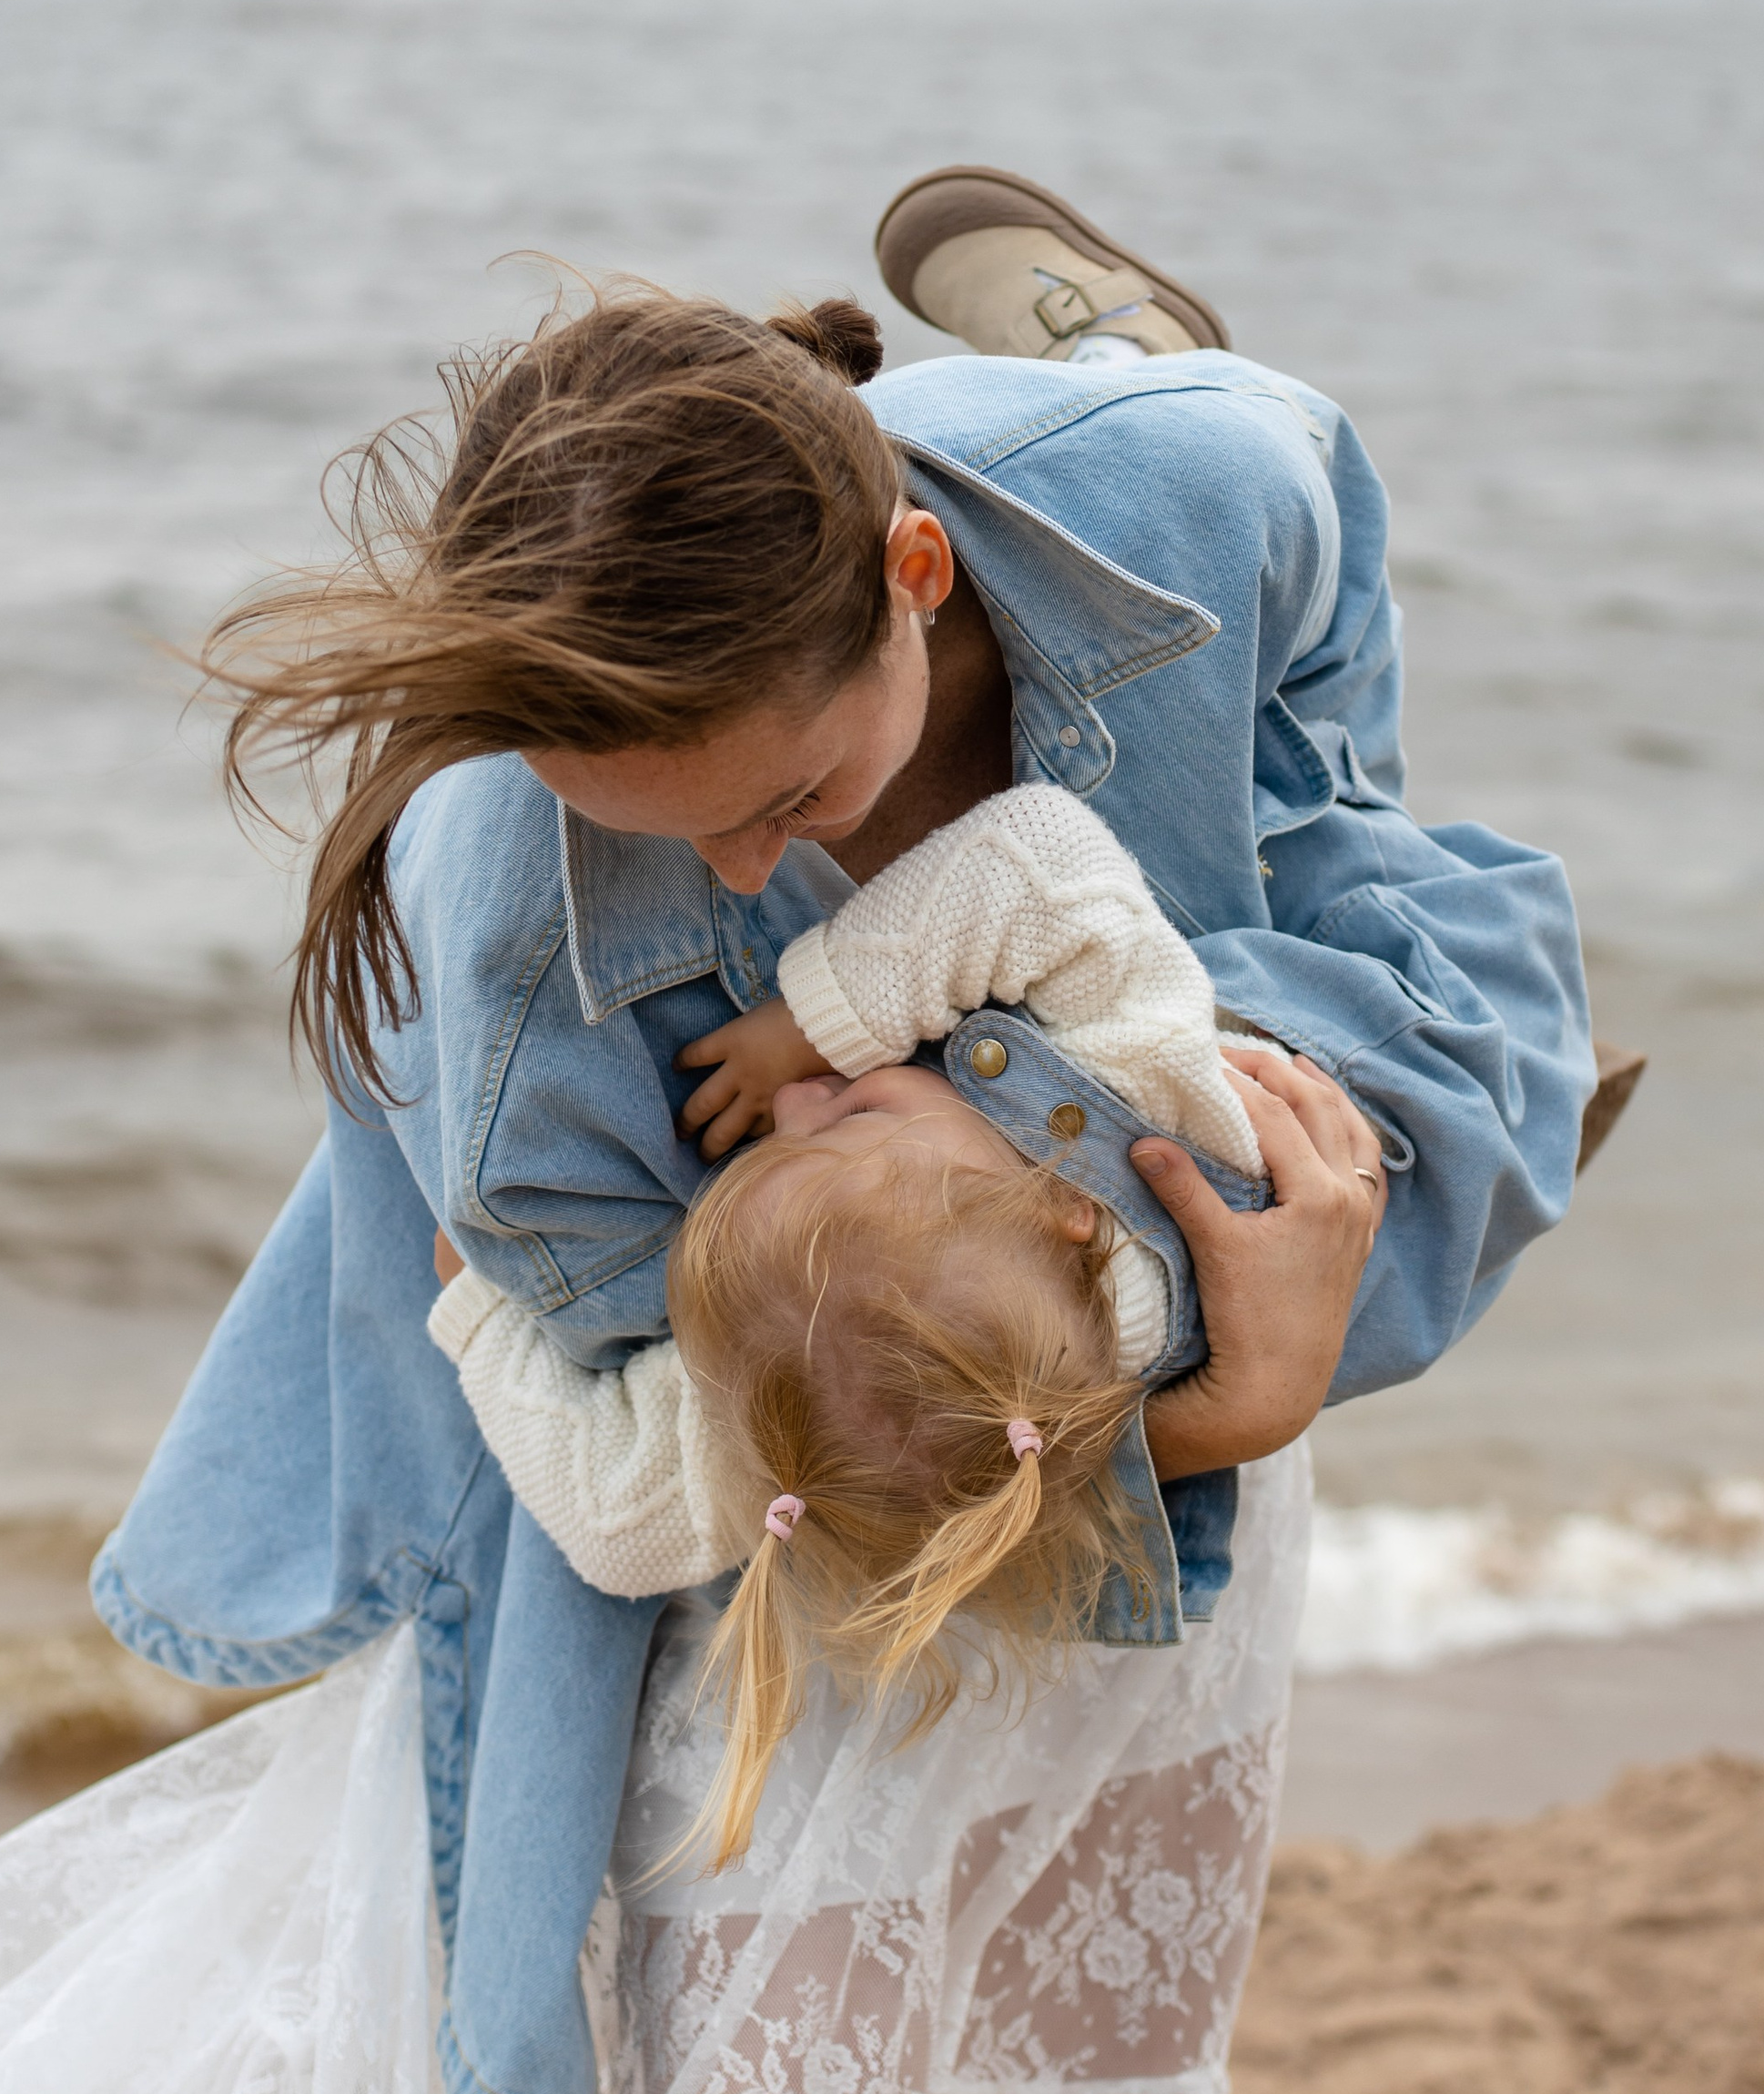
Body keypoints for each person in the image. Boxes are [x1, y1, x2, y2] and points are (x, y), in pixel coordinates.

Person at [0, 173, 1594, 2094]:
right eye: (671, 834)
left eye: (789, 790)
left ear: (918, 577)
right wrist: (1164, 1345)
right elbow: (691, 1458)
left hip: (1077, 1304)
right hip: (810, 1433)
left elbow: (1362, 842)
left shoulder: (1221, 495)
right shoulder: (519, 965)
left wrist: (1223, 1318)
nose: (744, 871)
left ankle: (1101, 354)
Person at [421, 777, 1387, 1868]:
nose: (794, 1102)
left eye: (828, 1114)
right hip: (1357, 1093)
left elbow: (606, 1517)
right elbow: (1046, 857)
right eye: (849, 1108)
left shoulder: (793, 1409)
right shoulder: (1151, 1102)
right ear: (1072, 1206)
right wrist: (814, 1023)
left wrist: (481, 1321)